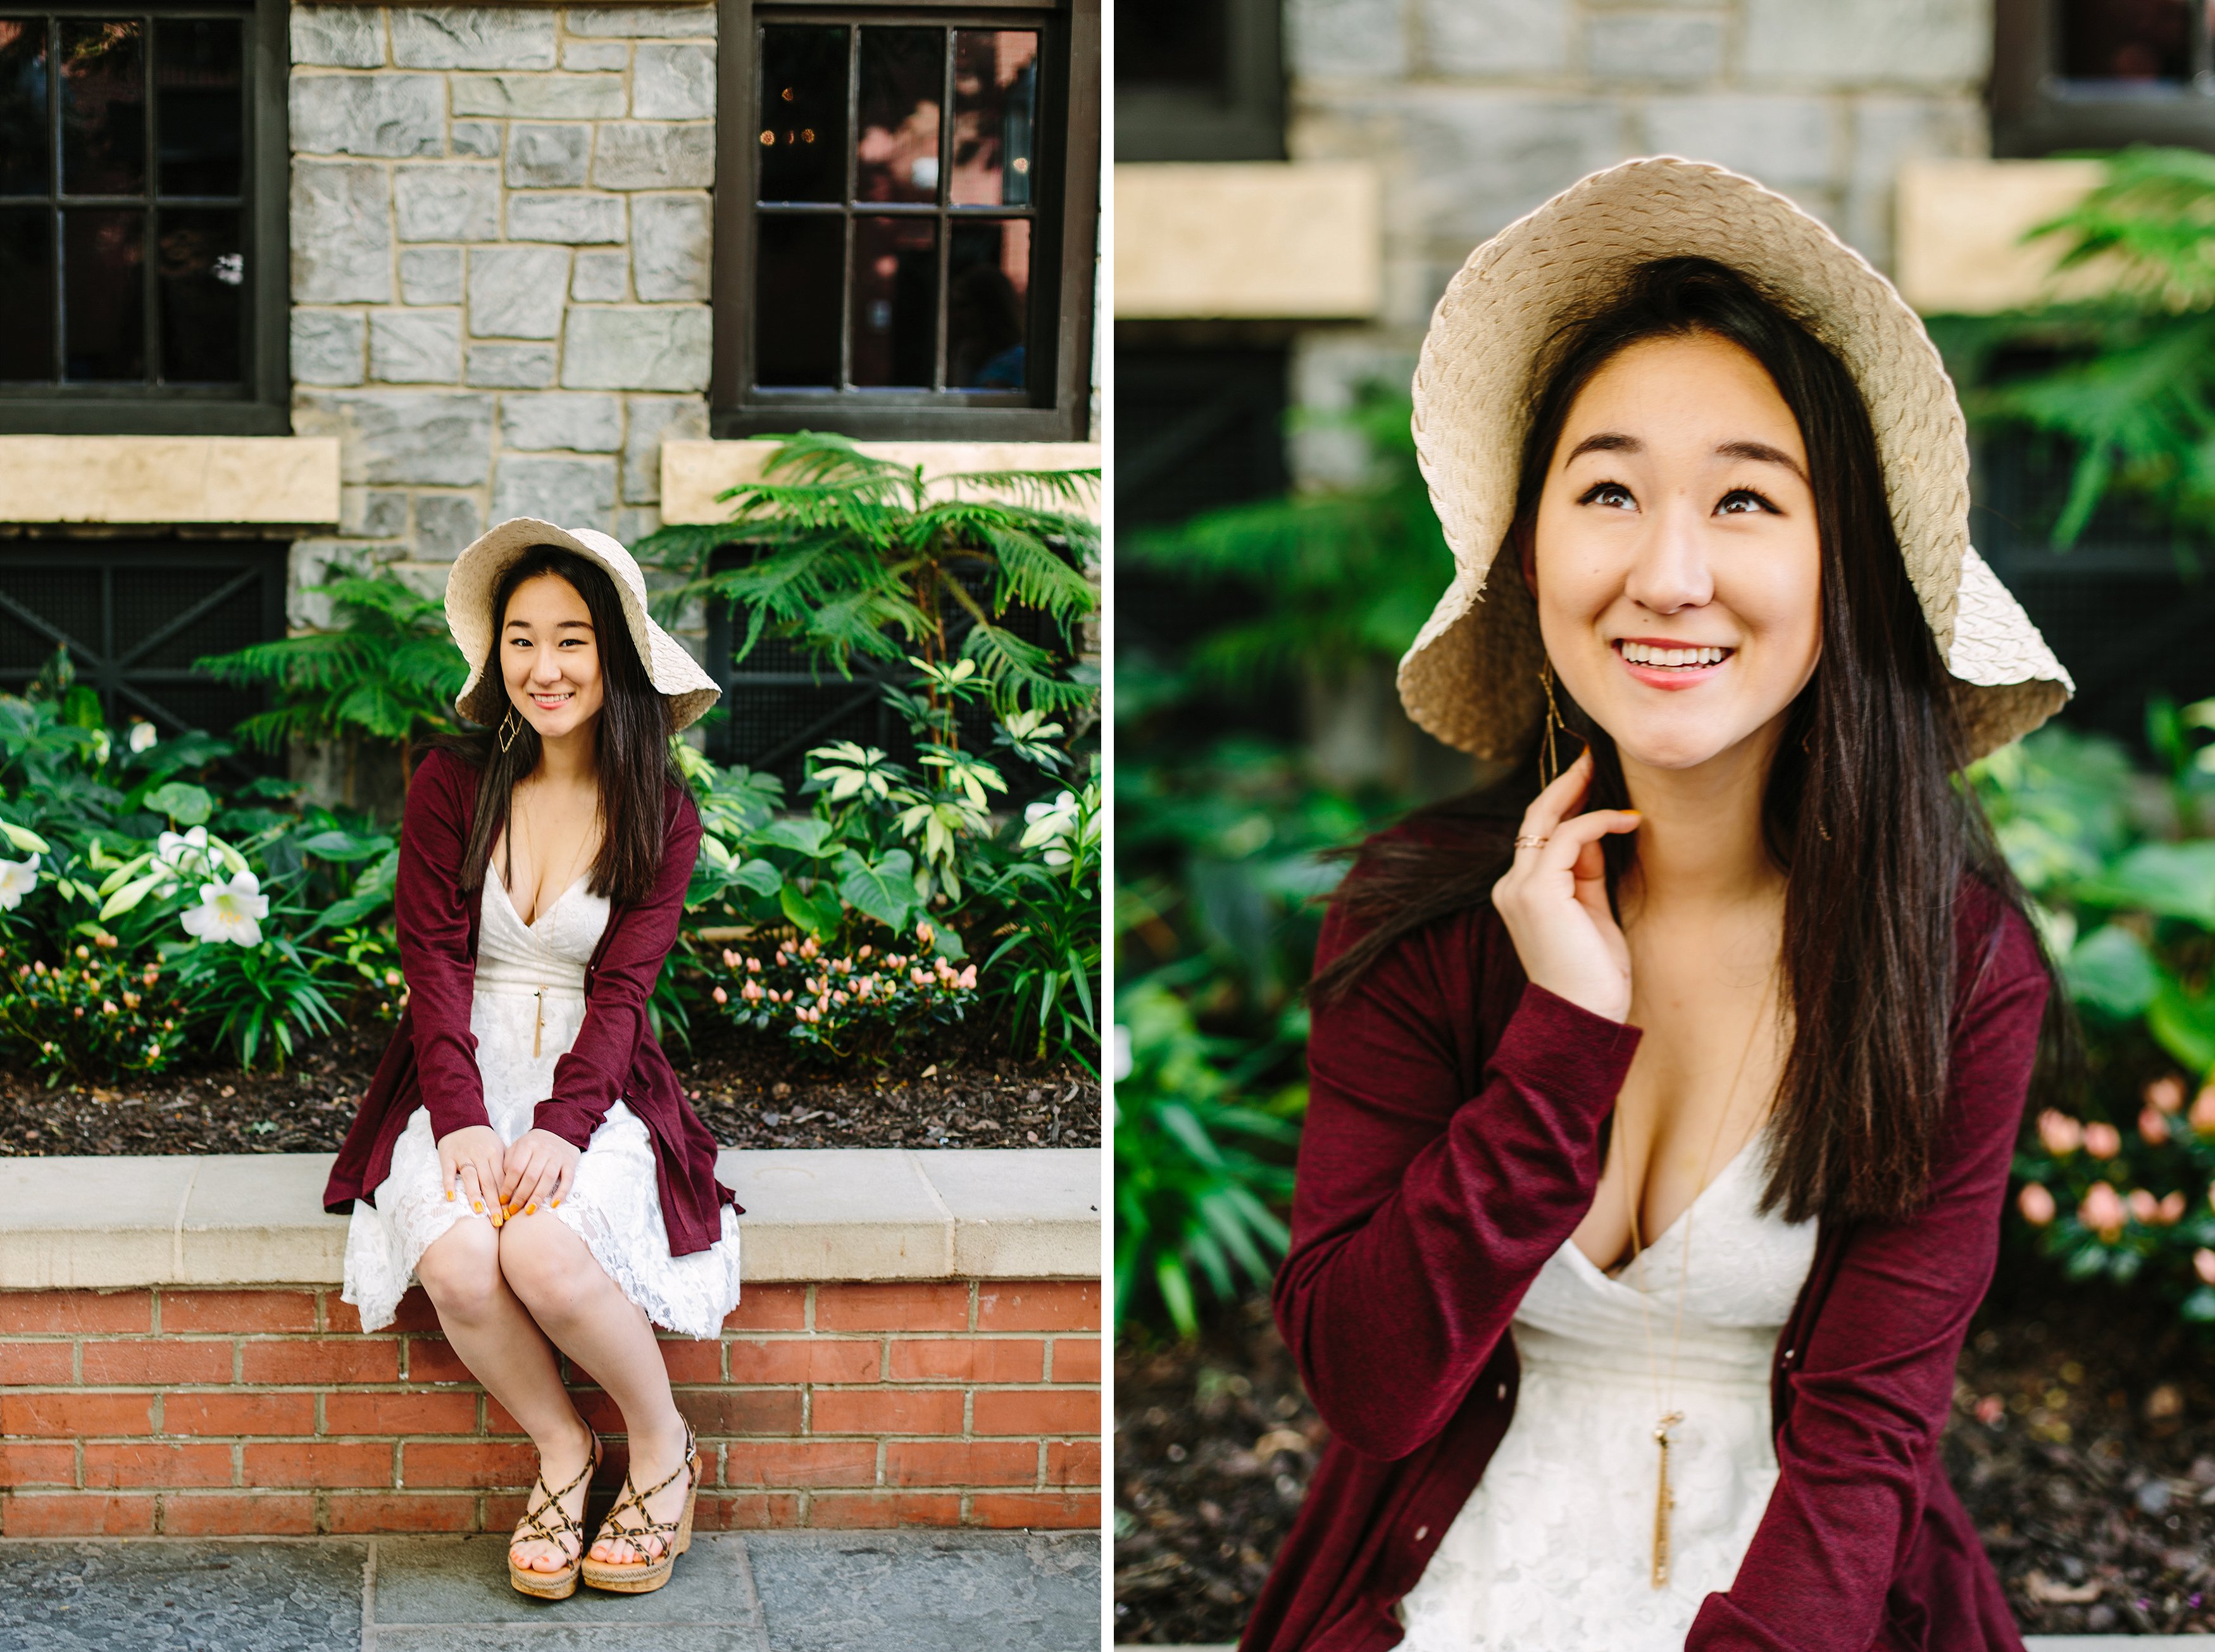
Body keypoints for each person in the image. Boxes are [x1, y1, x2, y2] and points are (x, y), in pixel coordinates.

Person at [1242, 159, 2075, 1651]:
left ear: (1848, 565)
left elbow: (1869, 1442)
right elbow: (1366, 1386)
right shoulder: (1424, 920)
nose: (1668, 574)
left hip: (1799, 1582)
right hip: (1462, 1562)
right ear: (1532, 550)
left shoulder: (1950, 963)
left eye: (1745, 498)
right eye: (1609, 490)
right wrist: (1560, 1034)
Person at [323, 519, 741, 1601]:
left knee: (547, 1257)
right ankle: (564, 1449)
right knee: (463, 1259)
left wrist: (562, 1129)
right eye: (520, 640)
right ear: (495, 654)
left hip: (595, 1078)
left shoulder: (663, 810)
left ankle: (661, 1448)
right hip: (460, 1062)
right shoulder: (448, 785)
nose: (543, 669)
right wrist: (460, 1115)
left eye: (571, 641)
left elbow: (625, 991)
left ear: (617, 656)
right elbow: (432, 960)